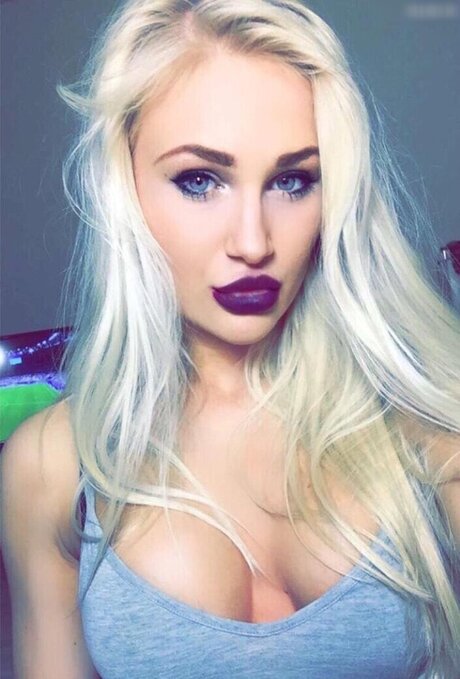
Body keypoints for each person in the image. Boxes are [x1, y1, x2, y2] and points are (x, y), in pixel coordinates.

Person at [1, 0, 459, 677]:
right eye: (199, 180)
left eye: (292, 181)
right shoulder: (53, 467)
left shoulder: (425, 433)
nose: (253, 242)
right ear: (125, 188)